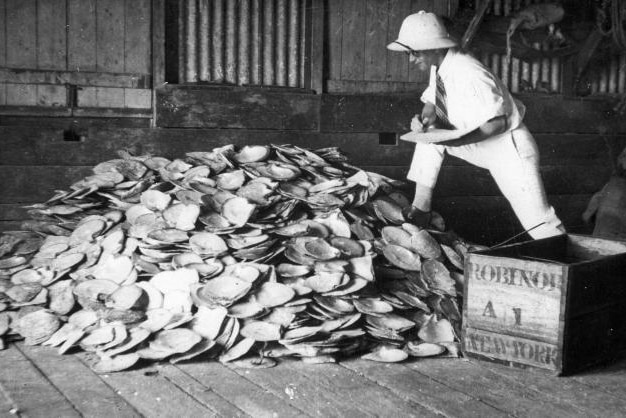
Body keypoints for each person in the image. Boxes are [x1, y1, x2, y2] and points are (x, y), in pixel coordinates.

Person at [387, 11, 565, 239]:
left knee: (539, 223)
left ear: (435, 47)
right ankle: (421, 208)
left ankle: (570, 267)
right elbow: (432, 100)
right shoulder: (440, 65)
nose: (411, 59)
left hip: (508, 149)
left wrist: (457, 140)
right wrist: (424, 119)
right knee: (428, 137)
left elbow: (499, 123)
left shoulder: (470, 72)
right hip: (479, 144)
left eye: (414, 53)